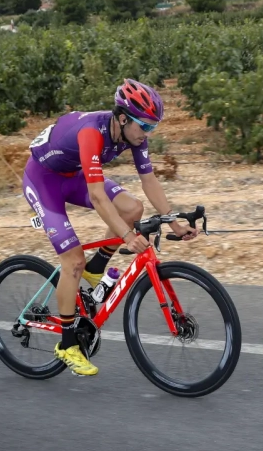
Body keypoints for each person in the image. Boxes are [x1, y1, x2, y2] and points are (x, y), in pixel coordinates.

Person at [22, 79, 198, 376]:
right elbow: (97, 197)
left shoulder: (134, 135)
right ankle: (67, 345)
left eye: (152, 127)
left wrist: (175, 223)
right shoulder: (93, 133)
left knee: (133, 208)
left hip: (72, 174)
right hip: (43, 181)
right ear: (122, 118)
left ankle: (97, 266)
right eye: (144, 126)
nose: (147, 134)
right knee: (73, 261)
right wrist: (128, 237)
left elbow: (149, 180)